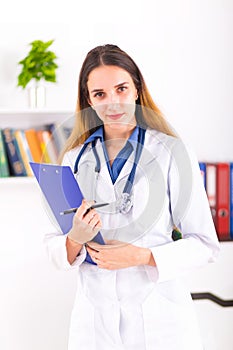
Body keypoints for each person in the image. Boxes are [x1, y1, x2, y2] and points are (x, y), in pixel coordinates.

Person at [45, 44, 220, 350]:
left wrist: (141, 256)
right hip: (94, 327)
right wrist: (75, 239)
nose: (112, 103)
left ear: (137, 89)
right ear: (88, 100)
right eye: (99, 94)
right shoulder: (73, 159)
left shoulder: (172, 153)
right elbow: (52, 244)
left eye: (121, 89)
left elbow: (205, 244)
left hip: (160, 324)